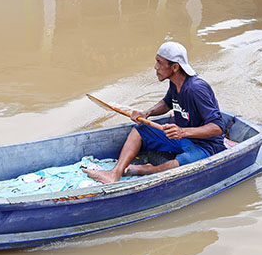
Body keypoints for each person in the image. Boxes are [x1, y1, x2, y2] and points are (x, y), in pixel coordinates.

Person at [84, 41, 226, 184]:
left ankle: (147, 170)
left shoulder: (196, 89)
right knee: (140, 130)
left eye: (159, 63)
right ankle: (114, 173)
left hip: (206, 146)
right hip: (183, 139)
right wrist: (147, 113)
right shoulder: (175, 83)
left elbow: (217, 127)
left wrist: (182, 132)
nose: (155, 67)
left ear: (175, 67)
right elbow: (167, 103)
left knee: (184, 162)